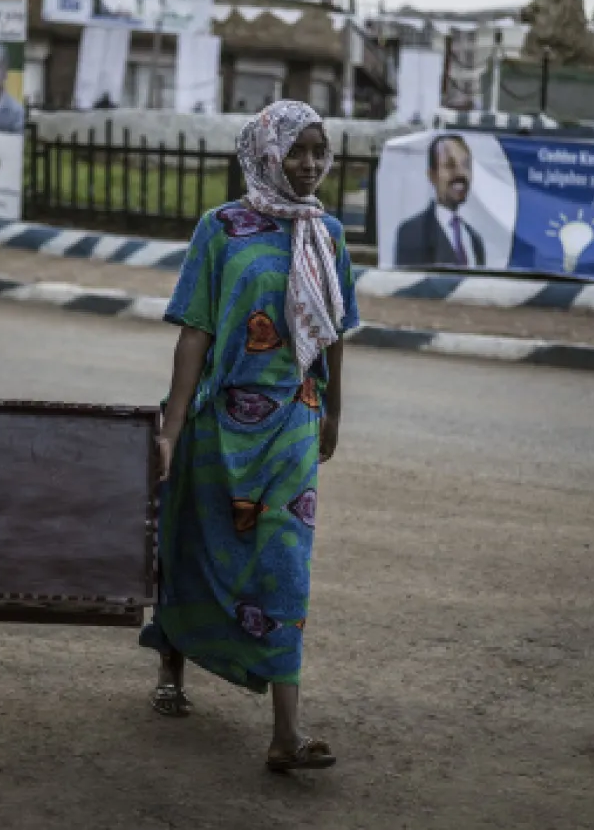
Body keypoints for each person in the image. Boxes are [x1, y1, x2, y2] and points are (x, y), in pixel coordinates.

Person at [142, 100, 360, 773]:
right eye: (299, 149)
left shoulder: (327, 234)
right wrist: (171, 431)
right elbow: (196, 333)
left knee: (285, 566)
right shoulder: (221, 229)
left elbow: (334, 332)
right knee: (194, 543)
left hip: (293, 417)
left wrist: (332, 411)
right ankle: (172, 669)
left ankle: (285, 733)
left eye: (320, 150)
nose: (311, 163)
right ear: (267, 150)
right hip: (217, 424)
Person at [393, 134, 488, 268]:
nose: (460, 173)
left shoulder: (475, 240)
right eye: (450, 165)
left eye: (466, 165)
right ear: (432, 176)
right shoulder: (412, 232)